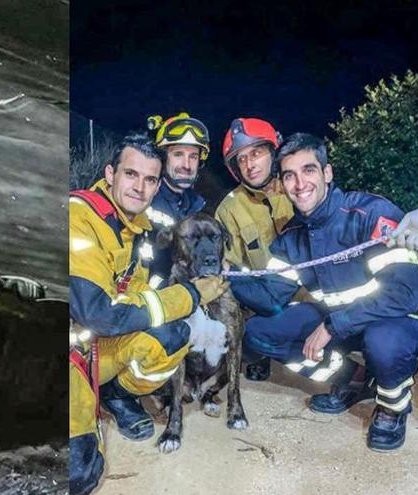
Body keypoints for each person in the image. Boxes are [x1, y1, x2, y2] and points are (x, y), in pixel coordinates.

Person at [231, 133, 418, 452]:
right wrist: (226, 277)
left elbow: (404, 294)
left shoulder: (372, 213)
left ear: (327, 173)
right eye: (289, 175)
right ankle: (355, 377)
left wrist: (332, 326)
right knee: (259, 333)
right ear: (281, 183)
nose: (299, 183)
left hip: (401, 320)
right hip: (343, 322)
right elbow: (269, 297)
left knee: (384, 341)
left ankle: (392, 405)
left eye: (308, 170)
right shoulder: (291, 238)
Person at [69, 132, 227, 495]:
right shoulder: (81, 216)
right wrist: (189, 294)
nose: (140, 187)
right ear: (110, 173)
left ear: (158, 186)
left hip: (99, 348)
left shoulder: (138, 232)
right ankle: (90, 394)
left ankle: (117, 394)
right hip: (73, 352)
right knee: (78, 473)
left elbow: (140, 297)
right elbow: (100, 315)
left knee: (172, 337)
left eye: (150, 179)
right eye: (131, 174)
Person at [214, 117, 294, 381]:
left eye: (256, 152)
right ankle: (260, 352)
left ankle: (353, 374)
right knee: (252, 331)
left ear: (274, 151)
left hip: (316, 295)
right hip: (269, 299)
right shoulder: (229, 209)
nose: (249, 165)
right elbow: (229, 269)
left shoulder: (299, 186)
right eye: (241, 159)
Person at [142, 112, 209, 288]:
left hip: (185, 299)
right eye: (178, 154)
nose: (186, 165)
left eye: (193, 156)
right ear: (163, 158)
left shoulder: (197, 209)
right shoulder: (141, 197)